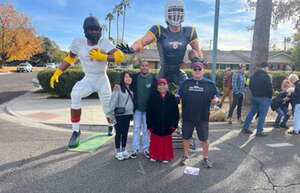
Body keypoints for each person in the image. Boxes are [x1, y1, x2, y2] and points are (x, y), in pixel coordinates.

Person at [49, 16, 125, 148]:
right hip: (88, 78)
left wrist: (103, 56)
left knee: (107, 109)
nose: (94, 32)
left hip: (102, 78)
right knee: (75, 94)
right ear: (85, 30)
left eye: (96, 29)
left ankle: (110, 125)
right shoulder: (78, 42)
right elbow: (70, 58)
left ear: (100, 30)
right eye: (91, 29)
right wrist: (58, 71)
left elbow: (120, 56)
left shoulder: (104, 42)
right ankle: (76, 131)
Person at [117, 0, 204, 86]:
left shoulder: (190, 31)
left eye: (178, 10)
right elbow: (143, 41)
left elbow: (197, 51)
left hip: (178, 71)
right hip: (164, 71)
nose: (175, 14)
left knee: (187, 88)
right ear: (166, 13)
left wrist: (198, 59)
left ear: (183, 12)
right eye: (172, 11)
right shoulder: (159, 30)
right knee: (154, 92)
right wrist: (132, 48)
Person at [177, 61, 218, 168]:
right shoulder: (185, 83)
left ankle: (205, 158)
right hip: (188, 117)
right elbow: (179, 96)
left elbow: (216, 97)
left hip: (202, 117)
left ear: (203, 71)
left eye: (199, 69)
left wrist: (215, 100)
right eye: (195, 69)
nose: (197, 71)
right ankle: (185, 156)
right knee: (186, 137)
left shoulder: (210, 84)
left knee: (204, 139)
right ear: (192, 71)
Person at [146, 78, 179, 163]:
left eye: (164, 84)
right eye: (160, 85)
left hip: (168, 125)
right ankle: (154, 155)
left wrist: (174, 125)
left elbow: (176, 113)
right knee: (155, 141)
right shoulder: (152, 97)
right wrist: (149, 125)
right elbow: (148, 112)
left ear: (167, 86)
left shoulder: (172, 97)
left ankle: (165, 157)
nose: (162, 87)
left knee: (166, 142)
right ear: (157, 87)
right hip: (155, 125)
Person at [130, 60, 157, 159]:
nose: (144, 67)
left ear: (148, 67)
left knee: (146, 130)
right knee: (136, 129)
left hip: (148, 110)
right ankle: (134, 149)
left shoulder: (153, 78)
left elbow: (157, 93)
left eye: (146, 66)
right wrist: (117, 84)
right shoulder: (135, 77)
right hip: (137, 109)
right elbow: (125, 80)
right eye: (142, 66)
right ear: (140, 67)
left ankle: (146, 149)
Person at [242, 62, 272, 137]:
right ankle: (259, 131)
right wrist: (270, 97)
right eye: (268, 67)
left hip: (254, 97)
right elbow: (269, 88)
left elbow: (250, 86)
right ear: (265, 68)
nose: (268, 69)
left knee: (251, 113)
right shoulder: (266, 76)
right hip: (264, 98)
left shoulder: (253, 76)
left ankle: (245, 128)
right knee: (262, 115)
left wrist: (254, 93)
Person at [109, 71, 134, 160]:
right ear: (122, 79)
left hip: (127, 115)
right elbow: (113, 101)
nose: (128, 78)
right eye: (126, 77)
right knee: (118, 133)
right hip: (119, 115)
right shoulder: (118, 88)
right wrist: (111, 115)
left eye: (130, 77)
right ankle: (118, 151)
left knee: (125, 133)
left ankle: (123, 150)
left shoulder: (131, 89)